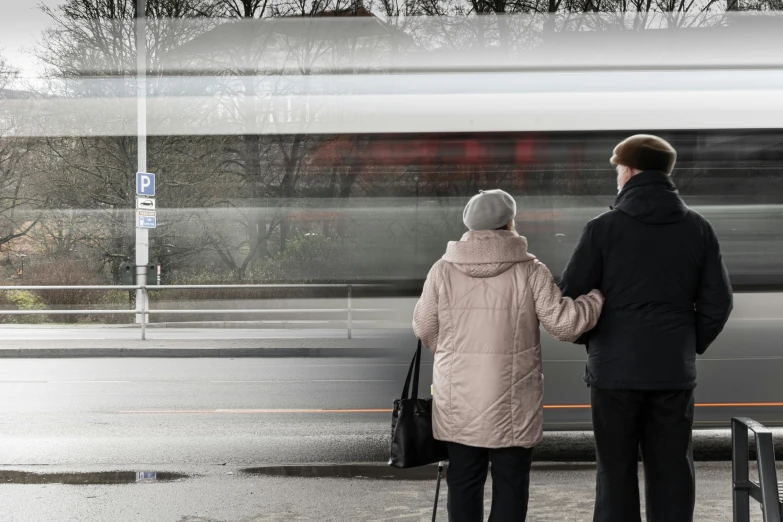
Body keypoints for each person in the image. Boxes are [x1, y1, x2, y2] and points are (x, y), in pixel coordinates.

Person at [558, 135, 734, 522]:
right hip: (672, 371)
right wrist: (687, 342)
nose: (617, 176)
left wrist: (598, 340)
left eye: (618, 169)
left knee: (615, 470)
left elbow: (570, 297)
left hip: (614, 373)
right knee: (672, 467)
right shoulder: (698, 228)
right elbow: (718, 302)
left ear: (630, 170)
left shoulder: (602, 228)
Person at [413, 189, 604, 522]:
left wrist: (455, 357)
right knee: (511, 484)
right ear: (509, 223)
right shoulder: (530, 270)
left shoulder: (442, 270)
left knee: (463, 482)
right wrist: (595, 299)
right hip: (513, 403)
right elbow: (565, 326)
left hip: (457, 399)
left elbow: (424, 327)